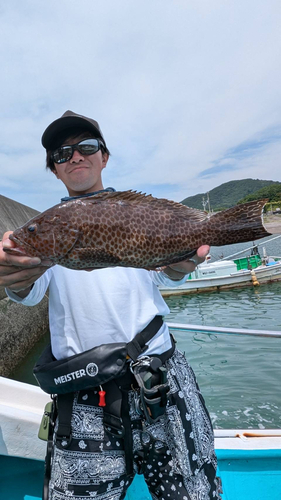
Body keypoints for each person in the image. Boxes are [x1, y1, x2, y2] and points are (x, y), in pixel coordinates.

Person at [0, 110, 222, 500]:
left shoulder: (137, 215)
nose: (76, 157)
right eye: (62, 153)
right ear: (53, 169)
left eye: (87, 147)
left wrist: (180, 264)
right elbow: (27, 290)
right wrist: (13, 276)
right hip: (84, 394)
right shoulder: (49, 228)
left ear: (104, 156)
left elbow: (165, 272)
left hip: (160, 378)